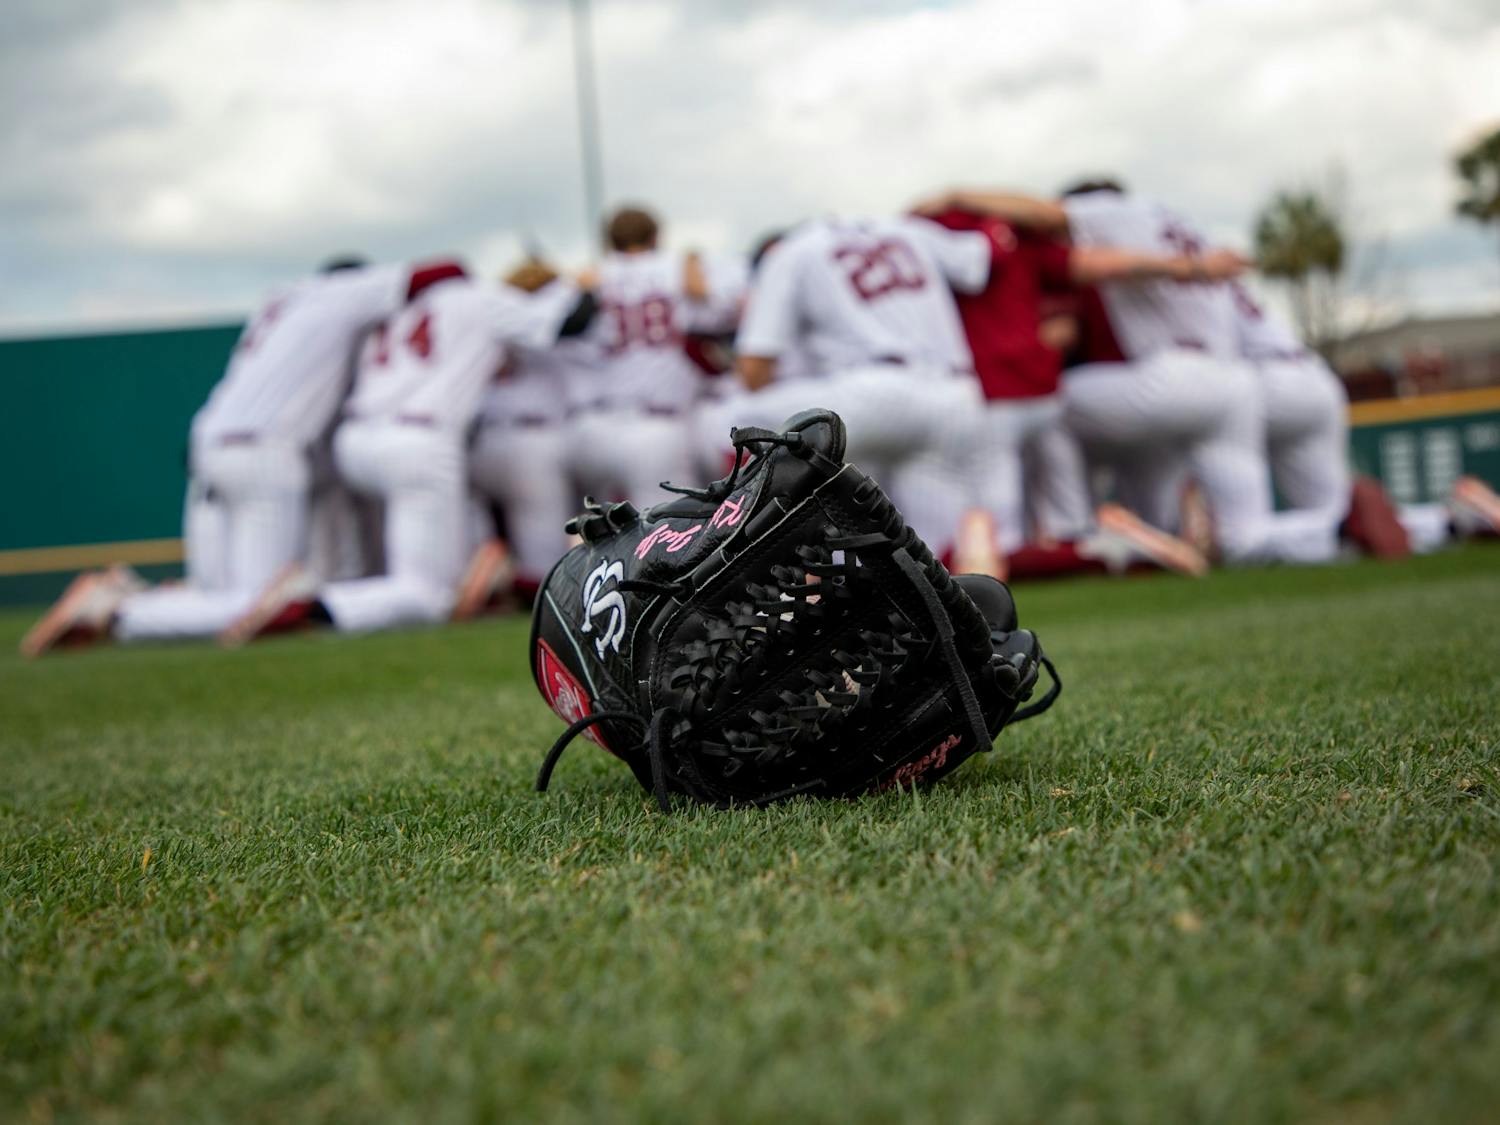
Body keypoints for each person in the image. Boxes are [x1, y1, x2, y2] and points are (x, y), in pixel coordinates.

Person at [927, 180, 1344, 565]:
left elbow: (1071, 234)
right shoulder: (1179, 224)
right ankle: (1339, 526)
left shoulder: (1117, 211)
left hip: (1177, 378)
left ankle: (1075, 534)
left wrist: (958, 196)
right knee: (1245, 538)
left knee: (1050, 404)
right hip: (1237, 381)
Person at [21, 257, 409, 657]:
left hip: (210, 447)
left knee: (224, 594)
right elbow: (425, 275)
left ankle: (141, 601)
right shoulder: (343, 296)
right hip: (265, 452)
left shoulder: (284, 304)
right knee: (260, 605)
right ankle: (121, 612)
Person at [219, 260, 596, 643]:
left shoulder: (399, 306)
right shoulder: (479, 297)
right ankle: (309, 603)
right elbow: (566, 323)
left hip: (354, 441)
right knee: (428, 594)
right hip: (417, 440)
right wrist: (583, 286)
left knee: (369, 561)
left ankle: (481, 573)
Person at [917, 199, 1242, 576]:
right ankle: (1102, 545)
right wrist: (1191, 266)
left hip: (989, 392)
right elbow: (1092, 267)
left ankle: (1111, 550)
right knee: (1059, 524)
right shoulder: (1020, 236)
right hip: (1043, 388)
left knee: (982, 548)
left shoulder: (932, 228)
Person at [726, 214, 994, 555]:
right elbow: (978, 262)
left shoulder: (794, 250)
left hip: (872, 394)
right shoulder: (907, 229)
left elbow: (754, 369)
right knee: (934, 552)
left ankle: (744, 545)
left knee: (736, 416)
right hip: (956, 393)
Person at [568, 205, 740, 509]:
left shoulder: (592, 274)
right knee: (669, 536)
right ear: (656, 236)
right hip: (661, 428)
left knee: (611, 543)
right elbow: (725, 314)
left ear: (610, 240)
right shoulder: (675, 266)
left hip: (600, 427)